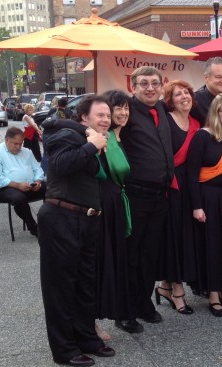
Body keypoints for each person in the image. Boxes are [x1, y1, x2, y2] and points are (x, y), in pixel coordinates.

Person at [38, 95, 114, 367]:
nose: (106, 119)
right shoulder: (65, 133)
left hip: (87, 220)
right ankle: (64, 349)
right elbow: (59, 165)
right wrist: (91, 146)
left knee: (85, 285)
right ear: (84, 117)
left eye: (108, 115)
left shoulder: (100, 139)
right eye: (100, 115)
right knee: (60, 289)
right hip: (61, 218)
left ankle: (86, 339)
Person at [116, 66, 174, 333]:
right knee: (131, 256)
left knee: (150, 255)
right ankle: (124, 311)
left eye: (154, 83)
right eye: (144, 84)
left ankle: (143, 303)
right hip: (135, 195)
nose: (150, 88)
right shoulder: (125, 110)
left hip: (158, 198)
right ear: (133, 86)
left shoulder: (161, 108)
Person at [187, 93, 222, 317]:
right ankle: (212, 294)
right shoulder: (202, 137)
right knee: (212, 246)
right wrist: (196, 205)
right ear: (216, 113)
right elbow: (191, 174)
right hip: (208, 199)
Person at [156, 80, 200, 315]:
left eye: (187, 92)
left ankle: (164, 286)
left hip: (189, 185)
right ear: (169, 100)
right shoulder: (166, 120)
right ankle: (177, 291)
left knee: (184, 237)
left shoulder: (196, 122)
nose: (184, 96)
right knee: (172, 237)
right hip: (170, 185)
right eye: (177, 94)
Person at [94, 90, 132, 340]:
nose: (122, 113)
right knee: (99, 262)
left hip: (117, 204)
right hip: (102, 206)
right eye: (116, 109)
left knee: (118, 260)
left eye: (125, 108)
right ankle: (93, 320)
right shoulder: (100, 139)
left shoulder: (121, 138)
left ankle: (117, 310)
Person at [0, 127, 45, 237]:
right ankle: (34, 228)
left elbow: (38, 169)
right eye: (15, 143)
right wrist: (17, 185)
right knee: (18, 198)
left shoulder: (27, 152)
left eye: (20, 143)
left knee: (52, 188)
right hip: (4, 189)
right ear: (7, 139)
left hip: (29, 186)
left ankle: (49, 223)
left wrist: (38, 181)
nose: (18, 147)